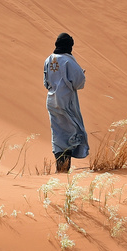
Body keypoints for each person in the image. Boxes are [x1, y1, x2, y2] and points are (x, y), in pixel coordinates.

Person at [43, 32, 88, 173]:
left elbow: (46, 83)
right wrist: (81, 75)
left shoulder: (49, 59)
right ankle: (64, 170)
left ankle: (61, 168)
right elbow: (79, 82)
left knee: (57, 132)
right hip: (66, 101)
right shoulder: (68, 61)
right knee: (71, 132)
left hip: (52, 101)